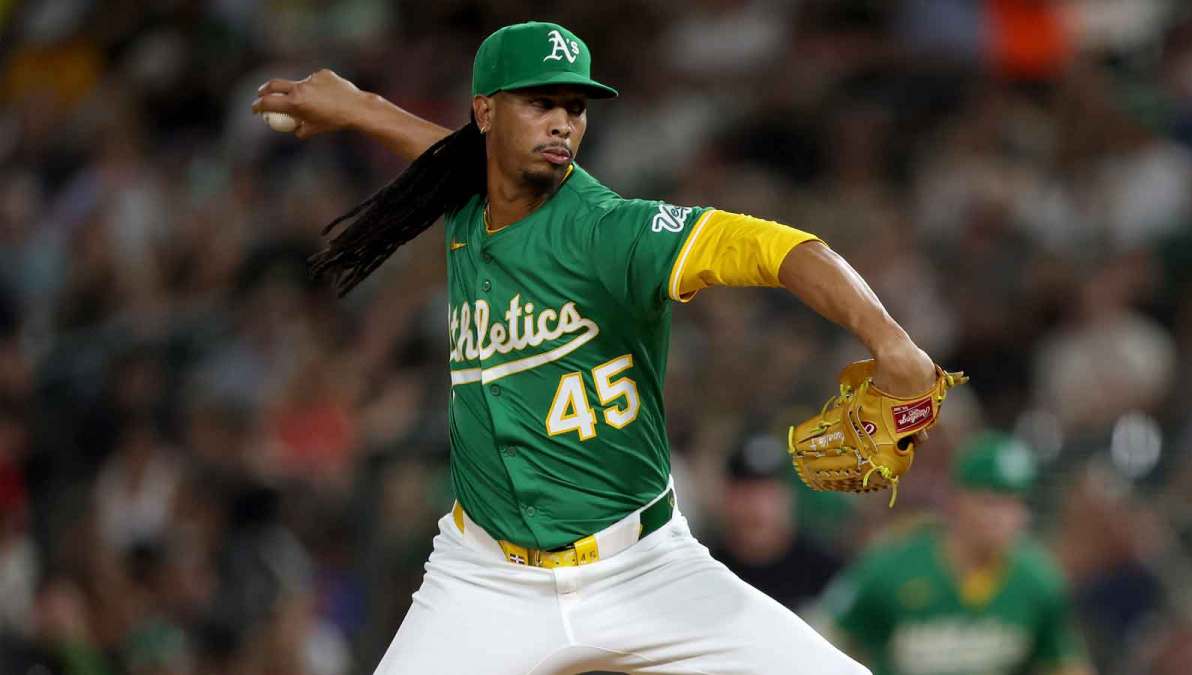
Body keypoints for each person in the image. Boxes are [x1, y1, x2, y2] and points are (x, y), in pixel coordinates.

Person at [253, 20, 936, 674]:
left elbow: (782, 248)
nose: (562, 122)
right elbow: (442, 153)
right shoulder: (467, 194)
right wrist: (359, 106)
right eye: (541, 102)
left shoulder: (610, 230)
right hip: (485, 577)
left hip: (643, 568)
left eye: (575, 106)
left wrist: (889, 338)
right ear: (485, 113)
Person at [820, 431, 1094, 675]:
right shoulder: (892, 566)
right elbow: (829, 638)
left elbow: (1065, 664)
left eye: (1014, 503)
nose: (1004, 518)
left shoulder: (1038, 580)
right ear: (956, 501)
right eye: (991, 502)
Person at [709, 433, 843, 614]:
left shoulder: (823, 570)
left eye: (767, 493)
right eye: (746, 493)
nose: (756, 506)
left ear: (788, 496)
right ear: (726, 497)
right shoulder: (707, 567)